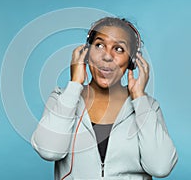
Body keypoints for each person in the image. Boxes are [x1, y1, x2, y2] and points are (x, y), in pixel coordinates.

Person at [31, 17, 178, 179]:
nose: (107, 56)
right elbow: (49, 151)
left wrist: (139, 98)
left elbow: (160, 168)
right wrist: (74, 85)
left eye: (119, 49)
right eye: (99, 45)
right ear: (86, 53)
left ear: (132, 61)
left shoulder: (148, 107)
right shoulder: (62, 98)